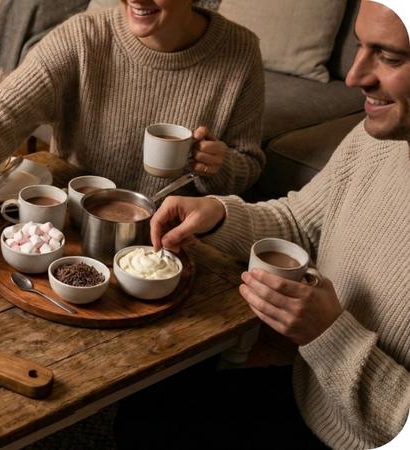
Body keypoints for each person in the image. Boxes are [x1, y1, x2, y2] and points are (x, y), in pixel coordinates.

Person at [142, 1, 410, 447]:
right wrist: (219, 214)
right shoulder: (379, 135)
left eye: (390, 57)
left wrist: (331, 336)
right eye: (361, 47)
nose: (354, 76)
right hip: (315, 402)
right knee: (148, 411)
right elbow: (301, 223)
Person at [0, 0, 266, 251]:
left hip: (170, 249)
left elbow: (248, 164)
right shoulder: (84, 36)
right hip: (72, 237)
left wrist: (219, 165)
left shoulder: (240, 51)